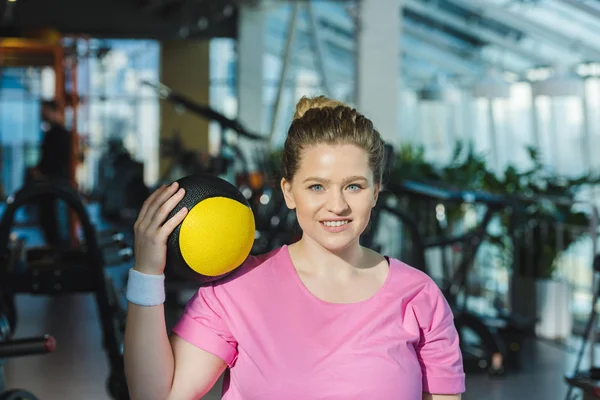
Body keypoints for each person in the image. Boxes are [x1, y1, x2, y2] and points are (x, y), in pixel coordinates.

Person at [124, 96, 466, 400]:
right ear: (288, 191)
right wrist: (147, 274)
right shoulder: (236, 290)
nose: (337, 205)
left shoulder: (419, 296)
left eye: (354, 186)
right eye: (317, 186)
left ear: (376, 191)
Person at [28, 100, 72, 247]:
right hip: (50, 182)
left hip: (54, 183)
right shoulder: (52, 133)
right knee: (48, 218)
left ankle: (58, 251)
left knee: (53, 219)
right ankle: (54, 248)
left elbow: (55, 159)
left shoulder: (59, 133)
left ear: (51, 111)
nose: (42, 114)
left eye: (44, 111)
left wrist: (42, 172)